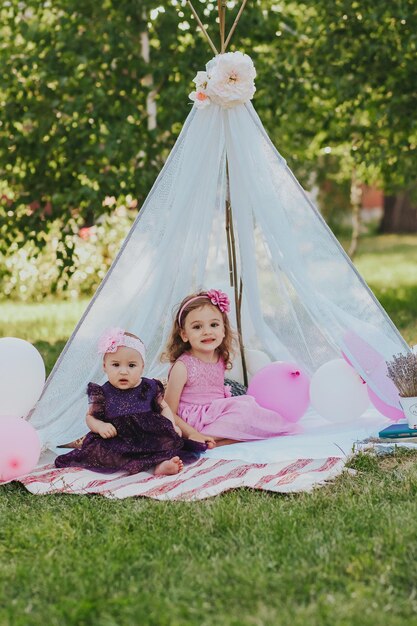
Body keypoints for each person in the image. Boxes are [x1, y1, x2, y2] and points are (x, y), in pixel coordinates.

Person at [55, 328, 207, 475]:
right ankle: (144, 464)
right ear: (105, 367)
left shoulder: (149, 387)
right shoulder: (102, 393)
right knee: (102, 452)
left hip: (148, 435)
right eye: (115, 365)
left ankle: (160, 465)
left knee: (166, 443)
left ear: (142, 367)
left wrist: (171, 425)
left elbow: (163, 407)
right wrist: (100, 426)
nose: (123, 371)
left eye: (131, 365)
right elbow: (90, 417)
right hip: (118, 439)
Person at [163, 289, 295, 446]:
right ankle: (199, 439)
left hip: (217, 416)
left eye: (214, 325)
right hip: (193, 424)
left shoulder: (220, 359)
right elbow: (168, 411)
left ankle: (216, 441)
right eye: (197, 327)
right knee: (242, 413)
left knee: (248, 408)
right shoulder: (182, 367)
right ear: (184, 335)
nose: (207, 331)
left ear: (223, 330)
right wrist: (192, 432)